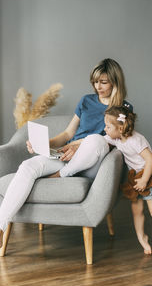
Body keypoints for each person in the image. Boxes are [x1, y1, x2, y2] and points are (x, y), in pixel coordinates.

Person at [0, 58, 133, 248]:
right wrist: (46, 144)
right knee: (28, 166)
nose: (98, 86)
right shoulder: (86, 101)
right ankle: (1, 226)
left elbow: (116, 140)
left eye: (103, 82)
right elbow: (68, 133)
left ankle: (61, 175)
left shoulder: (124, 109)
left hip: (92, 162)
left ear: (115, 81)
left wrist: (79, 145)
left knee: (96, 139)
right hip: (67, 156)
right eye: (95, 82)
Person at [104, 105, 152, 260]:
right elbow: (98, 139)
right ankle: (142, 238)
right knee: (137, 210)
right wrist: (74, 145)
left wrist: (144, 180)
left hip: (149, 177)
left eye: (108, 126)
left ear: (120, 128)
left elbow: (151, 159)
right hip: (134, 179)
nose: (105, 129)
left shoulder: (136, 140)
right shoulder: (116, 138)